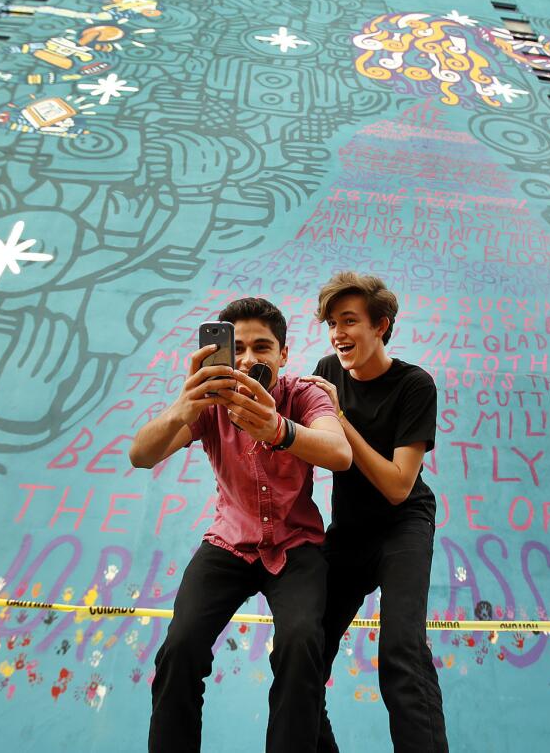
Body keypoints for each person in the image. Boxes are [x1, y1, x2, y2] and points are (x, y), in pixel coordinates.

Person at [129, 296, 352, 753]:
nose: (250, 359)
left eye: (263, 348)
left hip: (296, 547)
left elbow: (339, 452)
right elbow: (141, 455)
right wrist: (183, 405)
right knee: (180, 648)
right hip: (228, 544)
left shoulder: (302, 394)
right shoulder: (209, 403)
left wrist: (278, 428)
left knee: (301, 645)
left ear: (283, 355)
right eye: (240, 348)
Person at [300, 272, 449, 753]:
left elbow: (397, 485)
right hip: (349, 531)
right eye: (331, 324)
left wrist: (340, 418)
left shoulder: (413, 385)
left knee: (401, 652)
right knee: (301, 652)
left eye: (349, 321)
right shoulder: (328, 369)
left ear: (381, 325)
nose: (338, 333)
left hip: (403, 525)